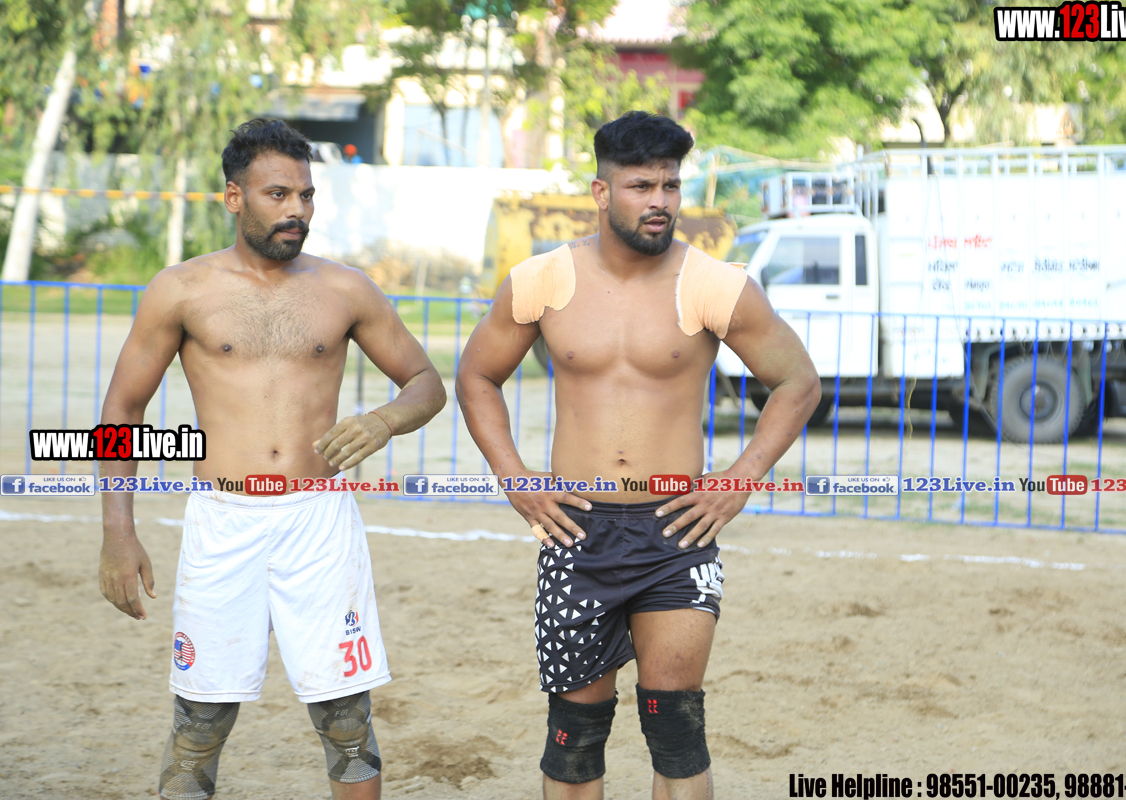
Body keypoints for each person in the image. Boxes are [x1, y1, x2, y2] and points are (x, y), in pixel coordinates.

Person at [456, 111, 821, 800]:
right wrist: (515, 478)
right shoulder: (541, 280)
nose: (660, 201)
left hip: (676, 531)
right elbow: (476, 376)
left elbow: (797, 381)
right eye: (641, 186)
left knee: (677, 730)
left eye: (670, 185)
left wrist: (740, 479)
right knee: (574, 736)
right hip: (576, 530)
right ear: (601, 192)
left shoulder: (715, 284)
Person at [97, 118, 446, 800]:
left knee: (347, 722)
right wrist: (117, 531)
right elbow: (122, 411)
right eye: (278, 194)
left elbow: (426, 383)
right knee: (200, 722)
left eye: (306, 195)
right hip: (223, 520)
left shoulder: (345, 289)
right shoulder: (181, 289)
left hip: (319, 520)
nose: (297, 211)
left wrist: (384, 421)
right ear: (235, 197)